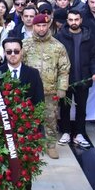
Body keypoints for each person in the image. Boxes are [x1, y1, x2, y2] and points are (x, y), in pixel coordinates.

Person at [0, 37, 44, 190]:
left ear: (22, 51)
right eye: (9, 52)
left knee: (26, 168)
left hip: (25, 131)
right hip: (3, 130)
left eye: (16, 51)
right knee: (2, 166)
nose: (13, 55)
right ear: (4, 53)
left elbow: (39, 102)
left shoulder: (32, 74)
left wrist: (35, 128)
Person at [23, 13, 71, 159]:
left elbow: (64, 68)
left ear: (48, 25)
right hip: (30, 91)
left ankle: (51, 146)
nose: (41, 28)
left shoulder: (57, 46)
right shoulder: (25, 44)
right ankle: (29, 146)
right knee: (28, 119)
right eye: (38, 25)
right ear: (33, 26)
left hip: (50, 91)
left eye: (44, 25)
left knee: (50, 119)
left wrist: (62, 87)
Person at [55, 10, 95, 148]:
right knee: (64, 107)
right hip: (65, 78)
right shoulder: (60, 37)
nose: (73, 22)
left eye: (76, 19)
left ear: (81, 20)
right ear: (67, 21)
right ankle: (66, 132)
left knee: (82, 107)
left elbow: (94, 56)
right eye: (70, 20)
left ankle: (80, 133)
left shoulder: (89, 36)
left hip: (83, 77)